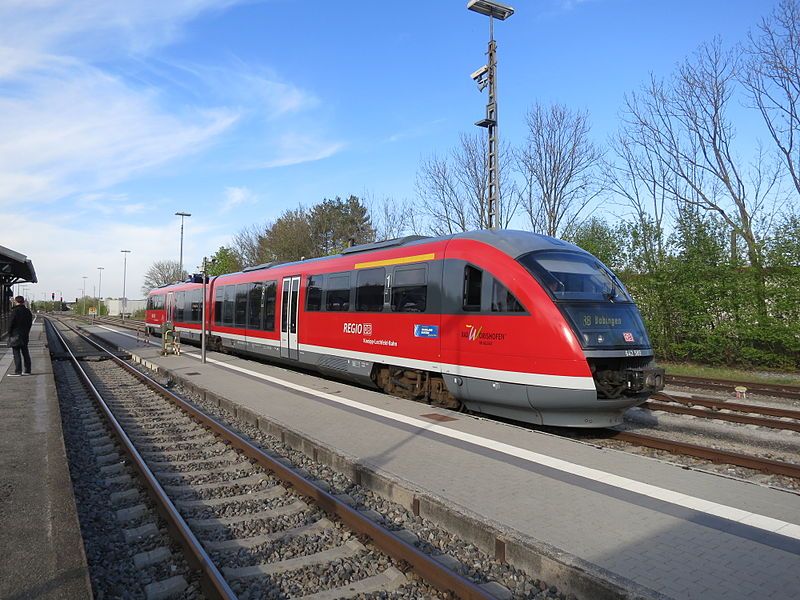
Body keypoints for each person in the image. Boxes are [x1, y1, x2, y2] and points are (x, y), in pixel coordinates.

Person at [7, 296, 33, 376]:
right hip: (25, 334)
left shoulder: (15, 311)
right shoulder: (27, 311)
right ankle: (27, 370)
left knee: (16, 353)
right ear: (23, 302)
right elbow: (30, 323)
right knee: (25, 352)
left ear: (16, 301)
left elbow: (11, 323)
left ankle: (18, 371)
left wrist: (9, 332)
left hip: (16, 334)